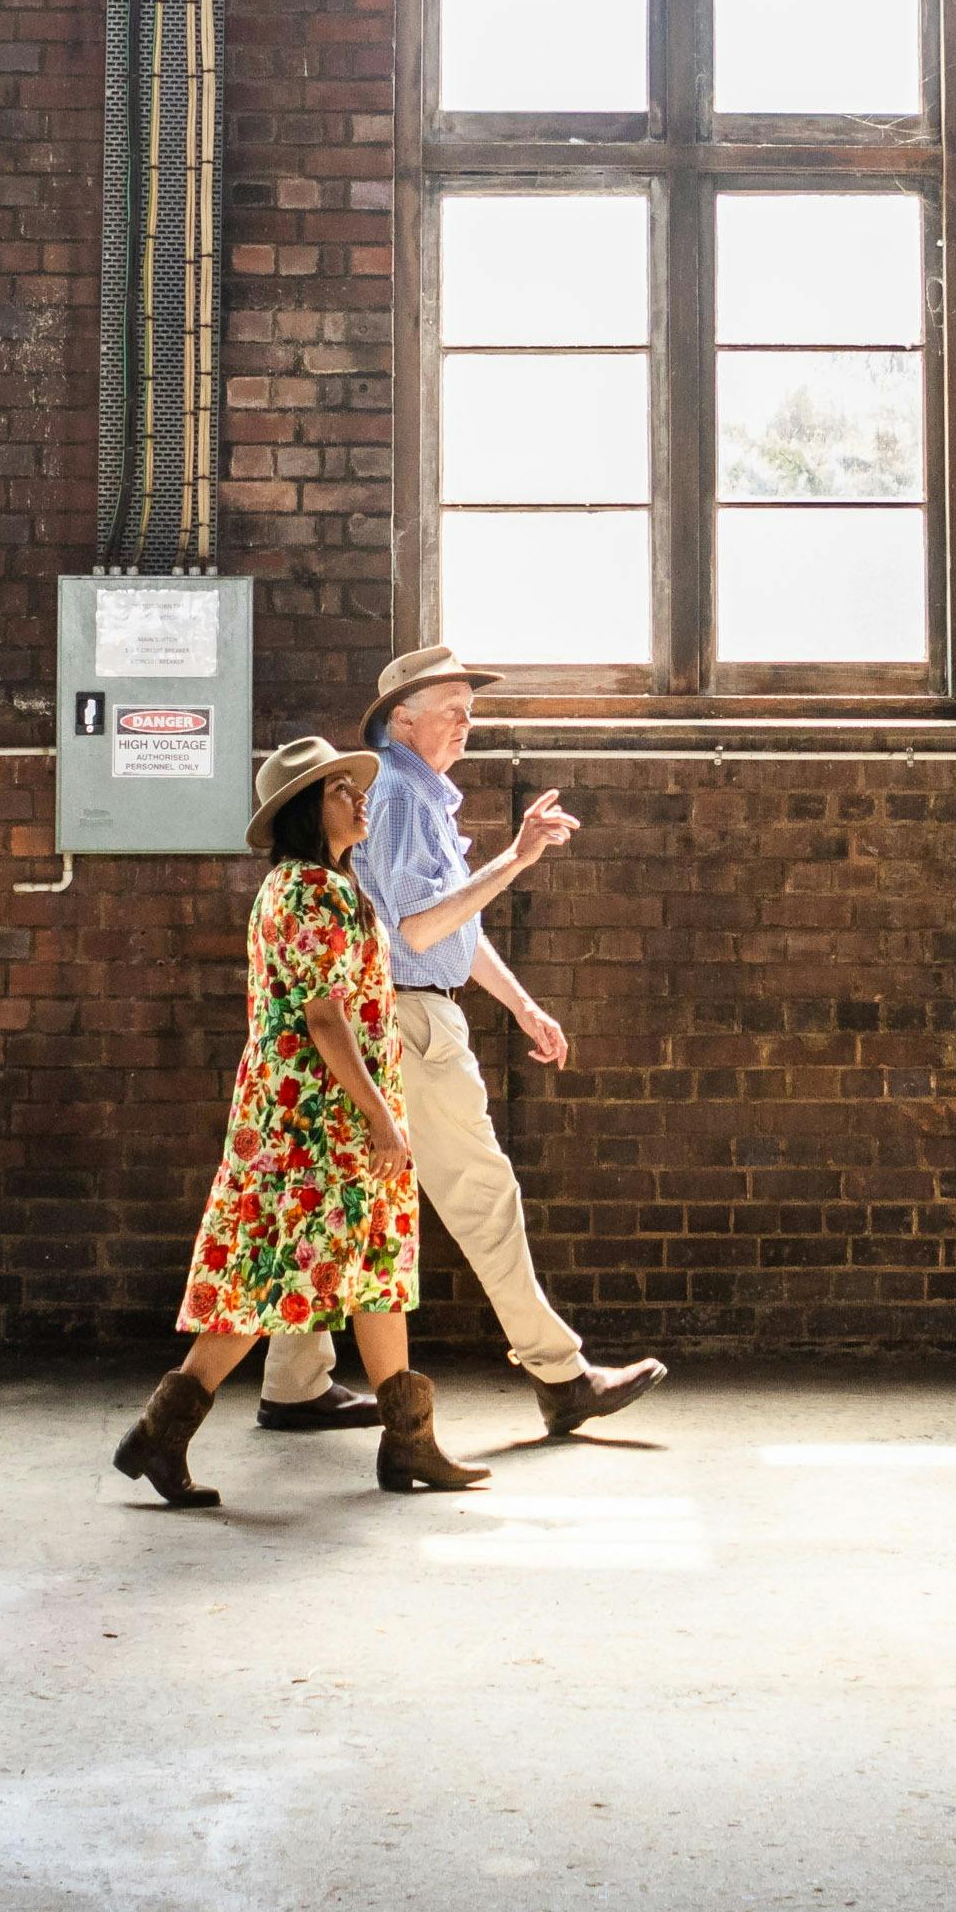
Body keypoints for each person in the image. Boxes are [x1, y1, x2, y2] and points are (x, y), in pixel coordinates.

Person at [254, 645, 668, 1442]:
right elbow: (415, 928)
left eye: (470, 705)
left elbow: (450, 923)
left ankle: (295, 1384)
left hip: (399, 1010)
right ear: (399, 717)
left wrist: (520, 1004)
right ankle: (561, 1374)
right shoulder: (399, 792)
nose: (468, 719)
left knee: (342, 1195)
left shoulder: (412, 796)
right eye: (453, 704)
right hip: (410, 1021)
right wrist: (517, 856)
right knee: (482, 1194)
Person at [110, 735, 501, 1508]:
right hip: (312, 1128)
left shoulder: (327, 886)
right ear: (302, 811)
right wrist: (384, 1118)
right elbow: (325, 1020)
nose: (359, 800)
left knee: (374, 1272)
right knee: (269, 1282)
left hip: (330, 1123)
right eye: (338, 792)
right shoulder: (307, 894)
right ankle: (160, 1433)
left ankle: (409, 1445)